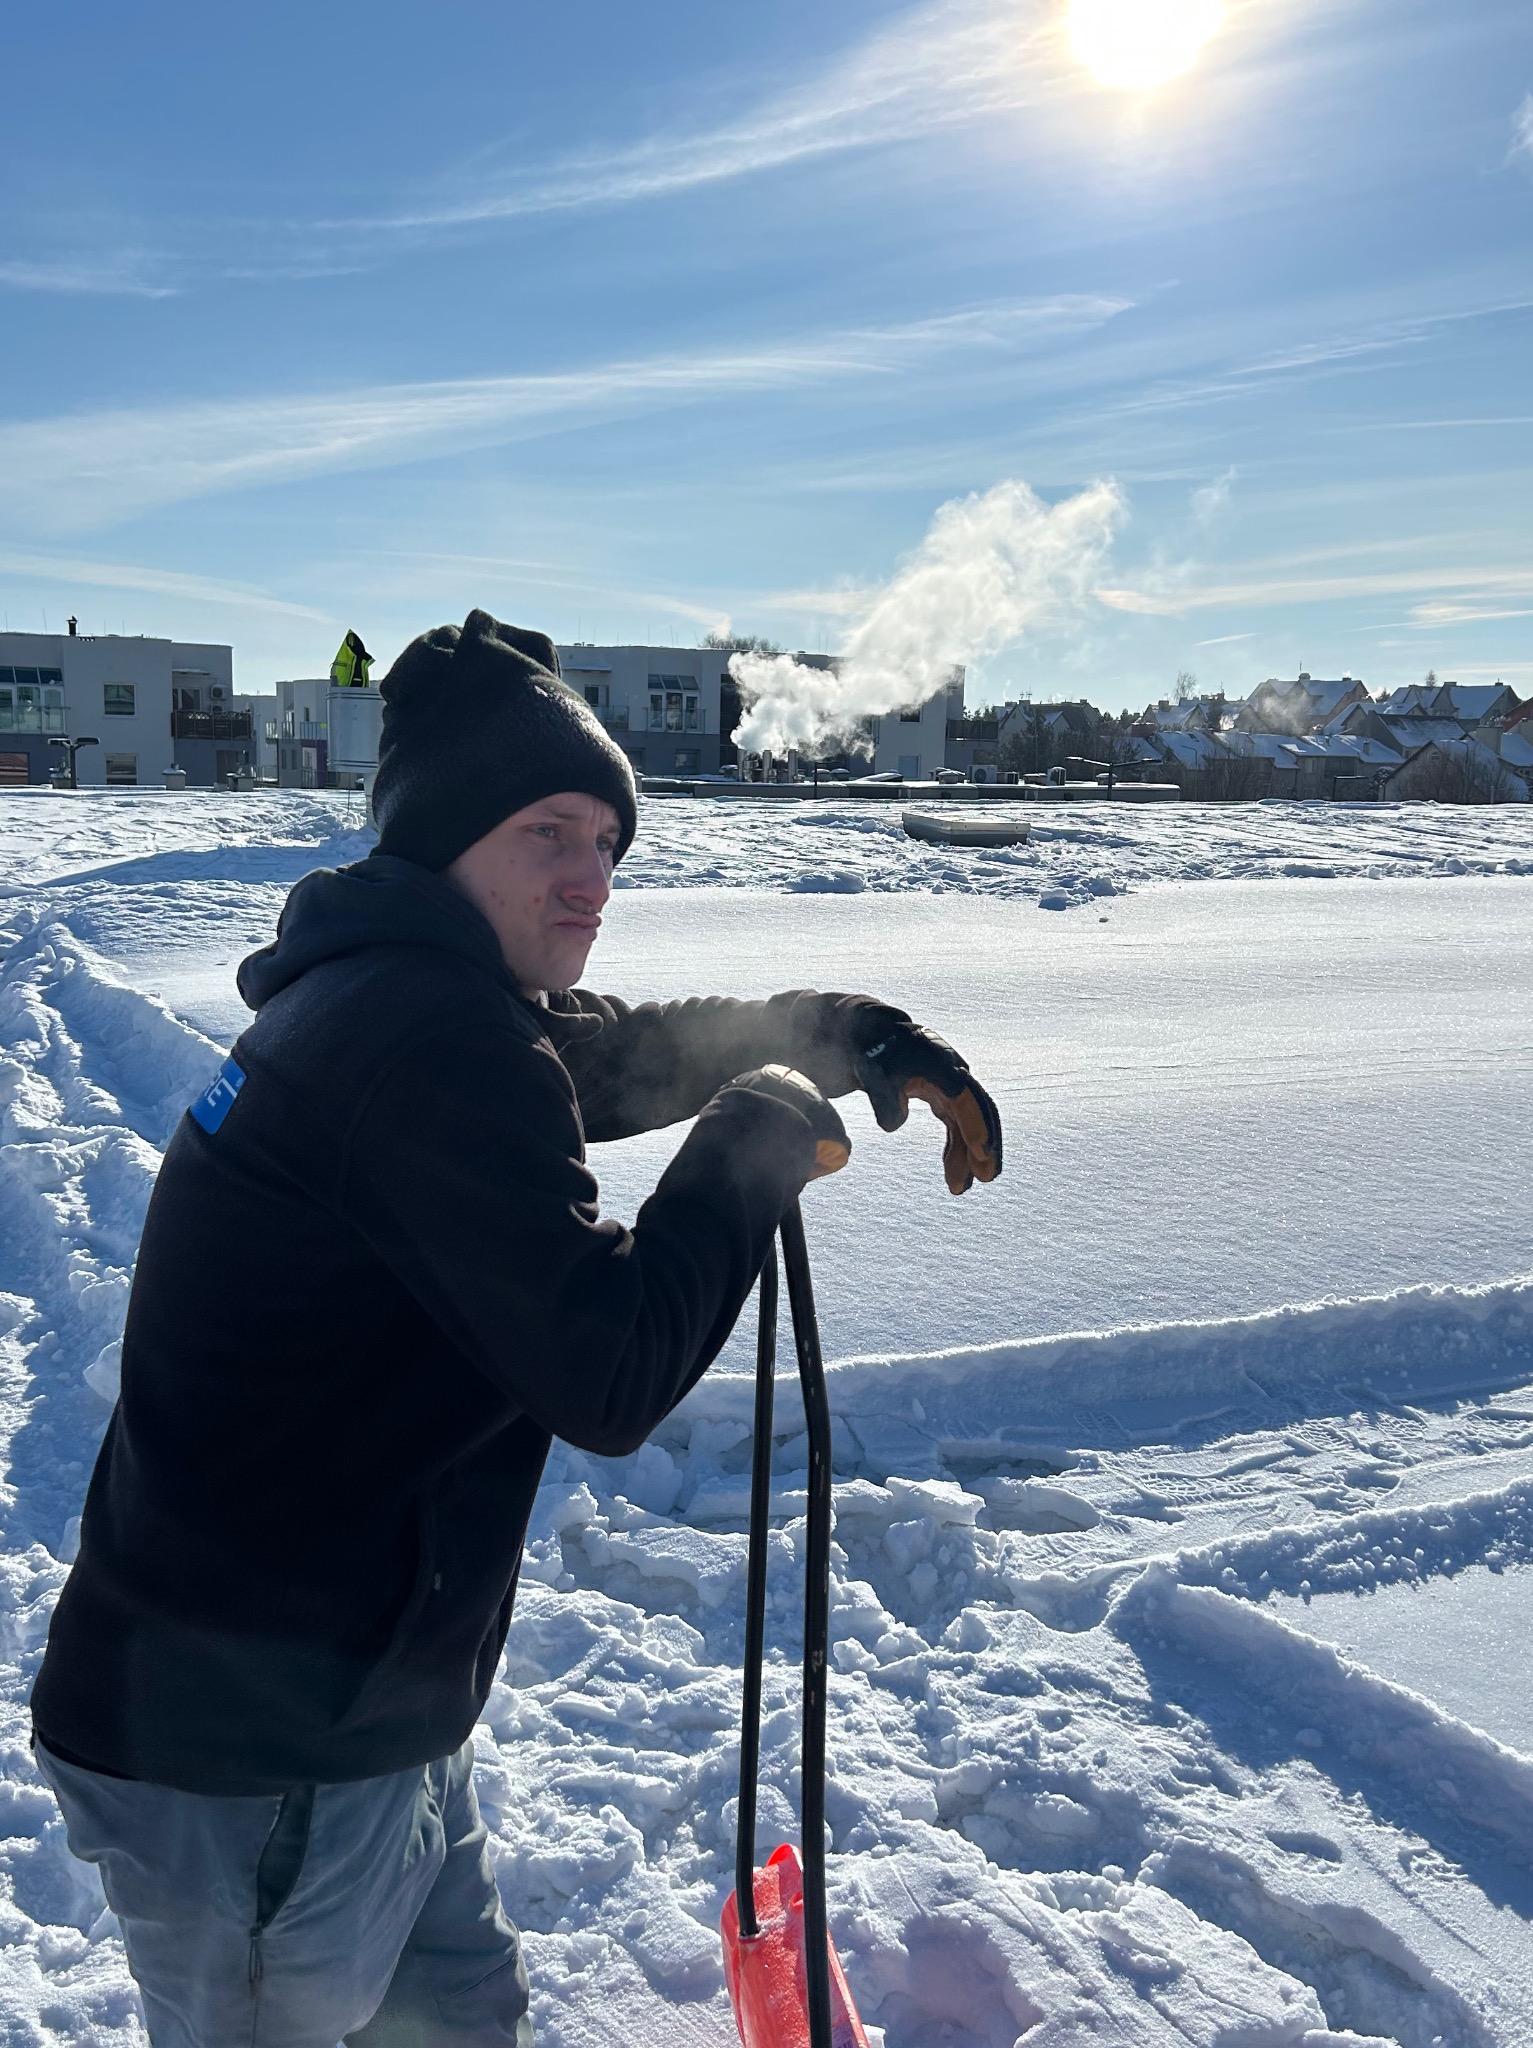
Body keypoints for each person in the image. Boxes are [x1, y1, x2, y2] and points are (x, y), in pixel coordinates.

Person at [30, 611, 1002, 2047]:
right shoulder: (421, 1042)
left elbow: (620, 1055)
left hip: (353, 1708)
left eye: (609, 841)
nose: (591, 879)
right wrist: (756, 1139)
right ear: (443, 836)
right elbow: (604, 1368)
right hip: (247, 1757)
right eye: (550, 831)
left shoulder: (403, 991)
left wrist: (843, 1031)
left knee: (462, 2019)